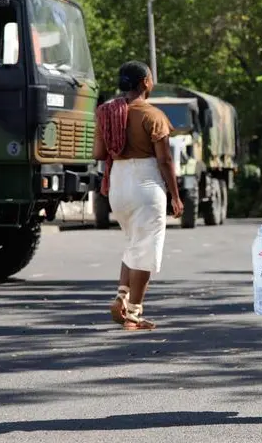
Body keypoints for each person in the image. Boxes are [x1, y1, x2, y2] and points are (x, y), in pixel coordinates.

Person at [93, 61, 184, 330]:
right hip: (145, 185)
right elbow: (165, 160)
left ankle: (121, 298)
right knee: (145, 252)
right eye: (151, 78)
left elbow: (99, 154)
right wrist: (176, 196)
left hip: (118, 185)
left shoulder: (106, 113)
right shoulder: (152, 115)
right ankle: (133, 314)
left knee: (134, 244)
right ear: (145, 82)